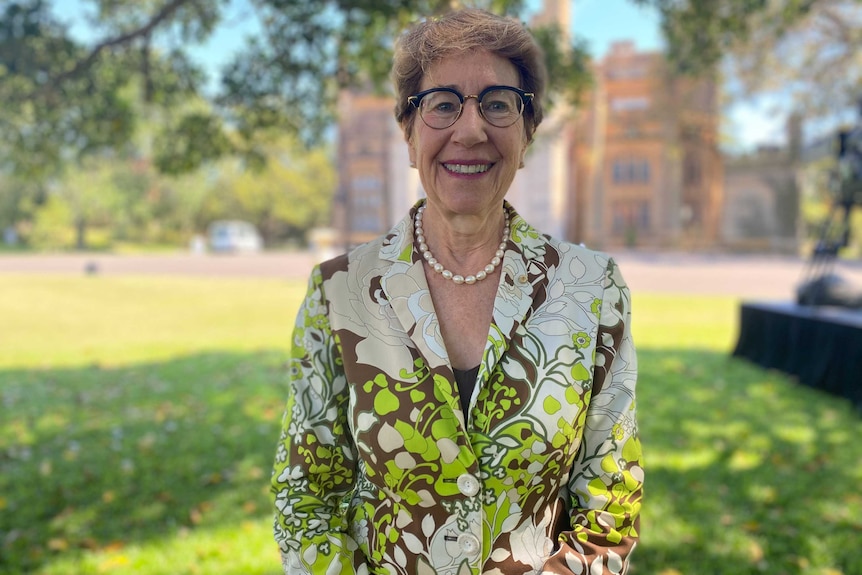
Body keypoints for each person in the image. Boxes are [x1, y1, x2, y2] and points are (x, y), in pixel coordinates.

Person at [271, 8, 643, 575]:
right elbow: (306, 500)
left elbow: (610, 503)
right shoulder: (339, 292)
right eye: (443, 103)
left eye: (497, 103)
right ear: (408, 129)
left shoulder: (592, 289)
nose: (470, 131)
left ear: (528, 132)